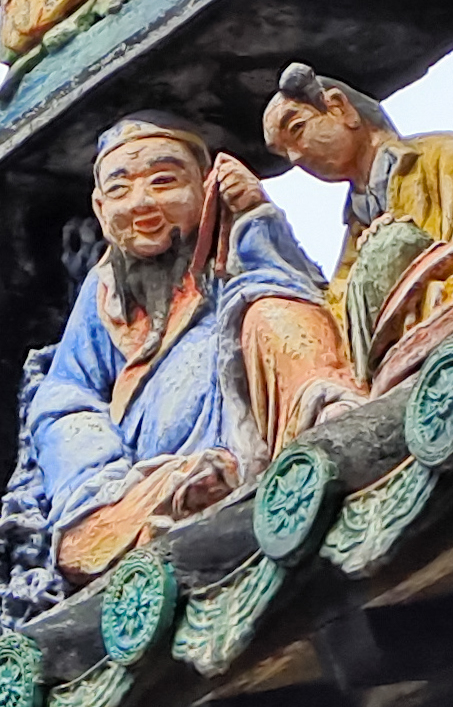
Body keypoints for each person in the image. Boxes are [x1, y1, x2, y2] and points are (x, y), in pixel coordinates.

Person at [19, 113, 355, 582]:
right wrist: (104, 480)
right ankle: (175, 496)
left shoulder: (232, 238)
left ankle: (324, 418)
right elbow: (65, 396)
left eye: (163, 182)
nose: (142, 204)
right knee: (86, 536)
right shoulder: (103, 292)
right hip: (156, 462)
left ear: (205, 185)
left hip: (247, 419)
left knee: (269, 308)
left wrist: (256, 218)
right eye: (120, 190)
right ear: (99, 208)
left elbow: (298, 291)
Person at [259, 65, 453, 389]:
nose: (296, 157)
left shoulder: (450, 158)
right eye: (284, 153)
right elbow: (338, 319)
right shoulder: (356, 224)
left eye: (297, 129)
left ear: (339, 107)